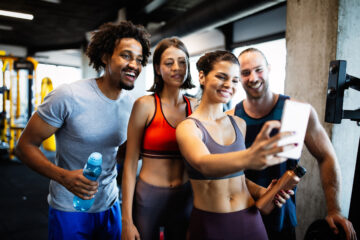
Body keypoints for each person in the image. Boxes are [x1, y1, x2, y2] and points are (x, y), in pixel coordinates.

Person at [15, 21, 151, 240]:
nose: (134, 64)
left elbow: (121, 155)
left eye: (139, 59)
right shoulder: (68, 95)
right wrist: (64, 177)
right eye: (126, 56)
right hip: (70, 208)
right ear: (105, 56)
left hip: (110, 205)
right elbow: (24, 147)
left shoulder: (132, 105)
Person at [227, 47, 356, 240]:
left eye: (258, 69)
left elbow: (326, 156)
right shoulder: (230, 119)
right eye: (245, 73)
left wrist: (334, 209)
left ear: (269, 69)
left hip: (282, 219)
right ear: (238, 76)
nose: (253, 78)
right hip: (240, 215)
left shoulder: (297, 112)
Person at [176, 50, 296, 240]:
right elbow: (203, 163)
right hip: (211, 224)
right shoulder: (188, 127)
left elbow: (237, 177)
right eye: (221, 77)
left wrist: (262, 191)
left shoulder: (239, 123)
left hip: (250, 219)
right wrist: (250, 157)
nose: (228, 85)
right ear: (202, 77)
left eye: (234, 80)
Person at [121, 37, 197, 240]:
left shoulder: (196, 107)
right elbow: (129, 164)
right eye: (169, 62)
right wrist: (126, 221)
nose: (177, 68)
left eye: (182, 62)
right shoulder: (144, 105)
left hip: (185, 196)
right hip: (148, 198)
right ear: (157, 68)